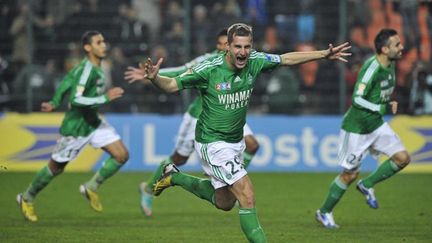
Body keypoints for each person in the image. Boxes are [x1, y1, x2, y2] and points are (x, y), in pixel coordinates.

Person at [125, 23, 350, 242]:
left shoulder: (255, 61)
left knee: (224, 202)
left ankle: (173, 176)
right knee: (247, 195)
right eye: (237, 47)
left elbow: (285, 59)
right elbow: (172, 85)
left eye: (247, 47)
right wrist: (155, 79)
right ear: (228, 47)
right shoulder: (209, 69)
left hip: (234, 142)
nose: (243, 52)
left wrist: (323, 54)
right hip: (212, 142)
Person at [137, 29, 260, 217]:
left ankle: (229, 178)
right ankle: (149, 189)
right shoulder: (207, 62)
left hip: (229, 117)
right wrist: (155, 74)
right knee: (179, 158)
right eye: (219, 44)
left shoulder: (243, 62)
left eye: (225, 44)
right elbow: (181, 71)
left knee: (252, 144)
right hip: (199, 117)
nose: (222, 48)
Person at [16, 31, 129, 222]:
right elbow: (76, 99)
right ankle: (26, 197)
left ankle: (91, 187)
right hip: (76, 126)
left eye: (104, 41)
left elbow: (68, 79)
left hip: (93, 121)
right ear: (87, 48)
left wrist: (54, 100)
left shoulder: (92, 67)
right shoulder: (88, 70)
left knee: (121, 155)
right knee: (56, 167)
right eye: (99, 42)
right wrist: (104, 97)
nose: (104, 45)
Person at [315, 28, 411, 229]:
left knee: (402, 158)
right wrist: (382, 107)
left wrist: (387, 102)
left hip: (375, 125)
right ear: (385, 49)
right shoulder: (371, 67)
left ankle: (367, 185)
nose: (401, 47)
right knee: (349, 174)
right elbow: (357, 99)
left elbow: (377, 95)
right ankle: (324, 212)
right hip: (356, 129)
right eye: (397, 45)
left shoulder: (390, 65)